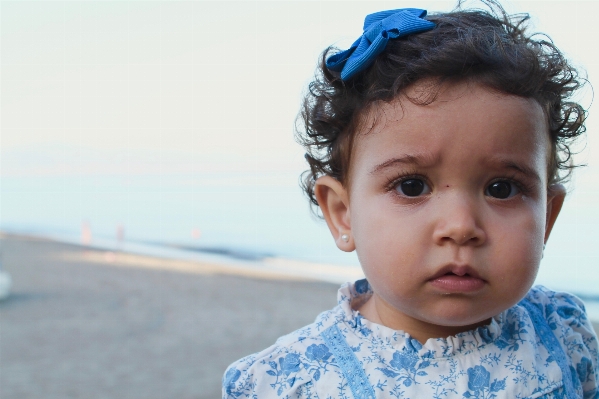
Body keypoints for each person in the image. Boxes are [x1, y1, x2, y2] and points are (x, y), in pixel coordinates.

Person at [223, 3, 598, 398]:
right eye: (412, 186)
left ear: (548, 217)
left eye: (502, 188)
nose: (460, 226)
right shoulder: (288, 381)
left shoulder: (560, 331)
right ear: (343, 214)